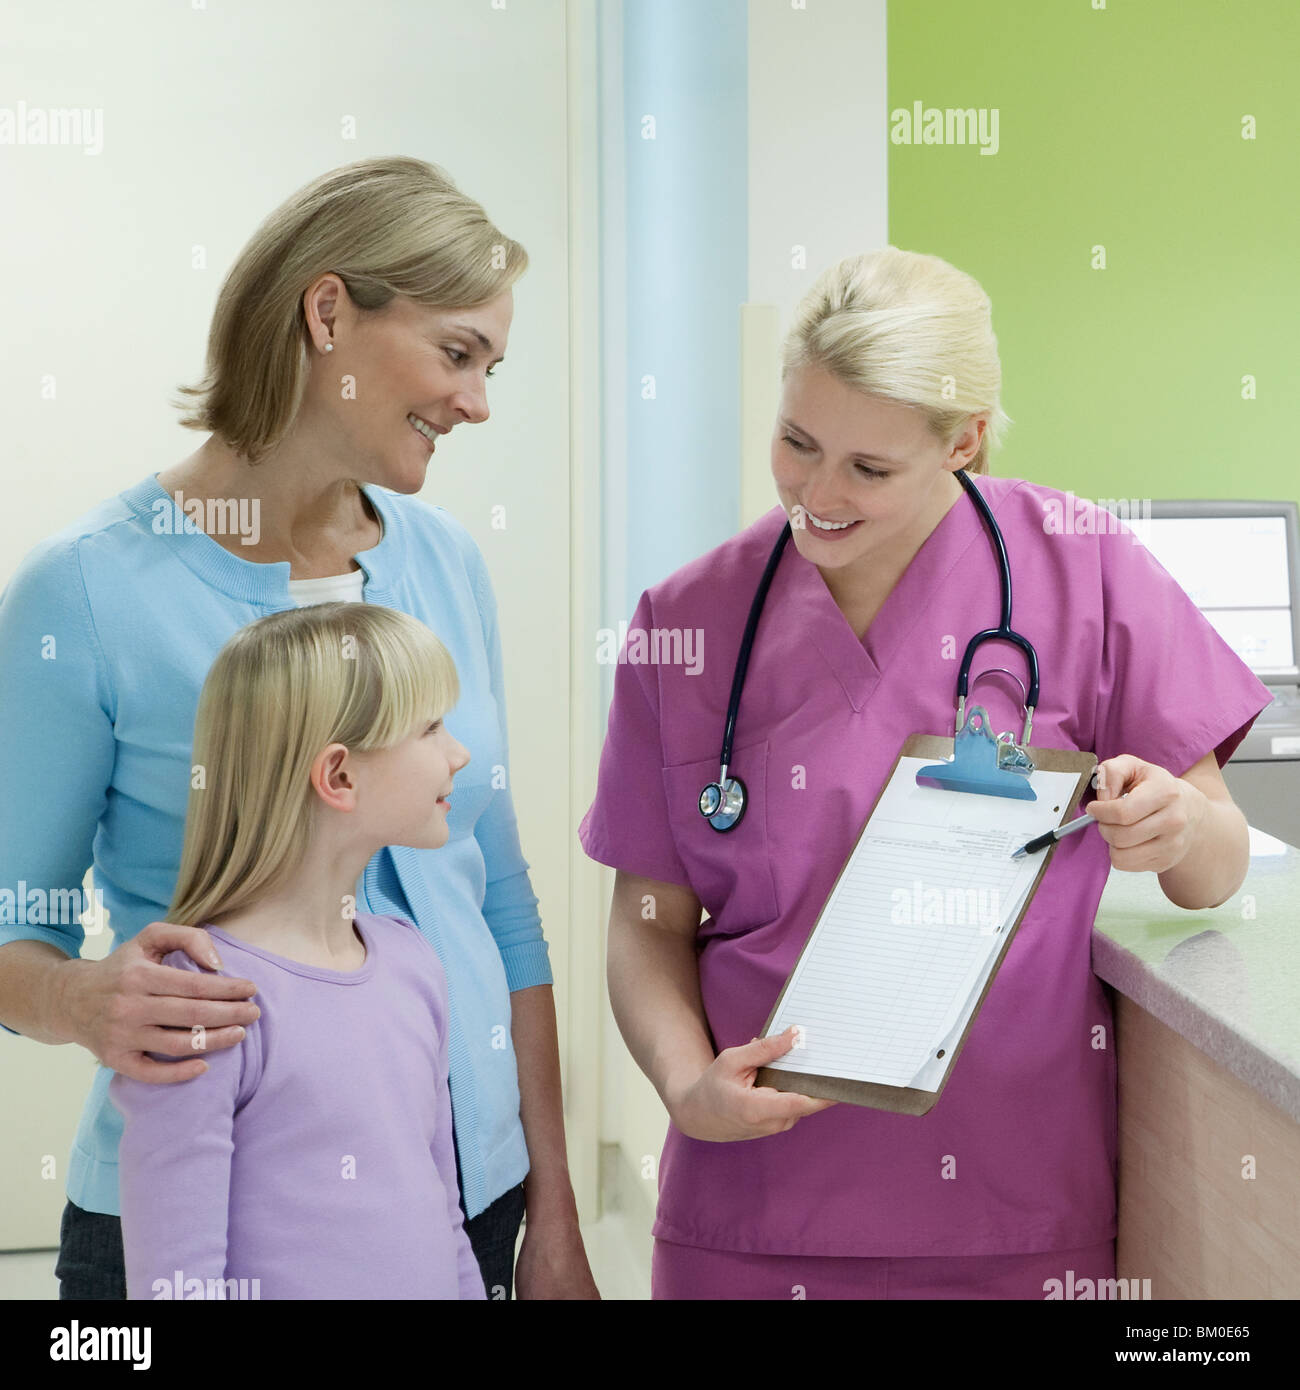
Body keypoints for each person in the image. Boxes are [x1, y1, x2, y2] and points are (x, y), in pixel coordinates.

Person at [580, 246, 1273, 1300]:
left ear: (964, 441)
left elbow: (1214, 865)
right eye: (796, 441)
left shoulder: (1082, 564)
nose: (815, 493)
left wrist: (1178, 826)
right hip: (752, 1206)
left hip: (1014, 1210)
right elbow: (646, 919)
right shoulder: (687, 620)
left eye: (868, 468)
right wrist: (684, 1086)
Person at [0, 156, 597, 1300]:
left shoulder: (445, 562)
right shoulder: (84, 591)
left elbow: (503, 906)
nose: (477, 401)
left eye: (491, 365)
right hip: (204, 1218)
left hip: (464, 1195)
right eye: (457, 352)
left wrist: (556, 1212)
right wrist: (79, 999)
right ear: (328, 314)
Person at [109, 603, 483, 1299]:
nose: (459, 753)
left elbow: (444, 1217)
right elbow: (178, 1282)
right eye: (432, 728)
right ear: (339, 776)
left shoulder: (413, 962)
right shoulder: (202, 995)